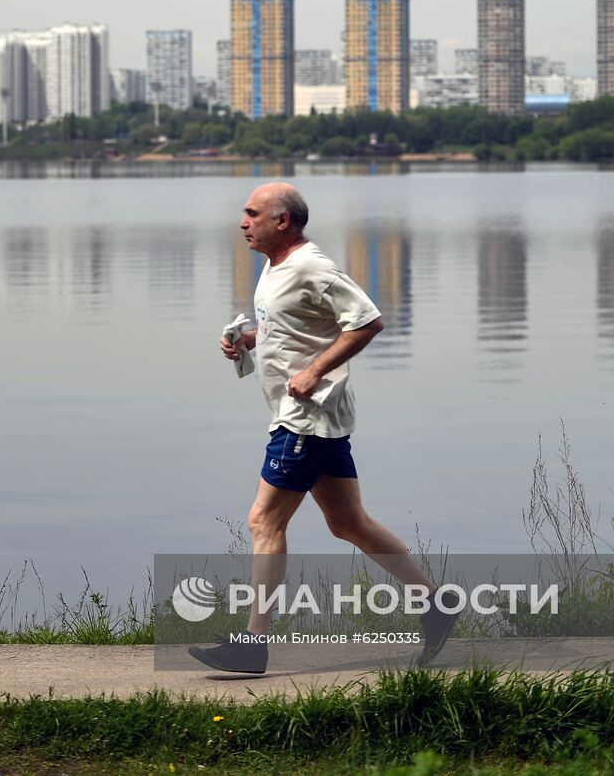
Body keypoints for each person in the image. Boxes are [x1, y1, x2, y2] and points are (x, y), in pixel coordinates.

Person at [188, 182, 459, 675]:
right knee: (348, 523)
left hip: (305, 419)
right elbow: (298, 328)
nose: (243, 223)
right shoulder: (276, 267)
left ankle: (253, 645)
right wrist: (249, 339)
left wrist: (313, 372)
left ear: (282, 221)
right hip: (313, 419)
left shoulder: (313, 266)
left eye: (252, 214)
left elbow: (367, 321)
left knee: (263, 522)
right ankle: (435, 602)